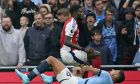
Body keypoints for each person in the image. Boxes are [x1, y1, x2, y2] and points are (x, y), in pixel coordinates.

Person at [15, 56, 125, 84]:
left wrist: (84, 67)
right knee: (74, 71)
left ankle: (27, 78)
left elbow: (89, 68)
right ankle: (49, 79)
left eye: (115, 71)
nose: (113, 70)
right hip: (75, 81)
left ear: (115, 77)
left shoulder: (106, 75)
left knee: (51, 59)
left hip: (74, 82)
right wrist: (80, 74)